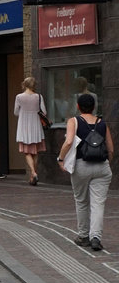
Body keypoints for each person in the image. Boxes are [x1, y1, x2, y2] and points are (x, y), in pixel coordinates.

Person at [58, 93, 113, 251]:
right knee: (98, 204)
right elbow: (111, 149)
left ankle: (83, 236)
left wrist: (61, 159)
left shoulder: (74, 121)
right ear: (94, 107)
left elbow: (69, 142)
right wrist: (107, 162)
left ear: (78, 106)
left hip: (81, 165)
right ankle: (96, 237)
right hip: (102, 167)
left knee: (81, 201)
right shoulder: (102, 123)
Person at [14, 77, 48, 186]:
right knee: (35, 152)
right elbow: (44, 112)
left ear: (24, 84)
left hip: (24, 125)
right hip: (36, 125)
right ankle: (33, 176)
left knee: (27, 151)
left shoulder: (19, 97)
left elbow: (16, 112)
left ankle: (33, 173)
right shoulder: (38, 97)